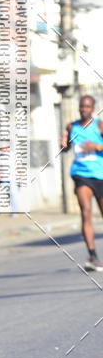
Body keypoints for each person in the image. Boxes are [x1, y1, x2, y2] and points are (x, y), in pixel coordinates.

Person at [60, 94, 103, 271]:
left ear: (93, 108)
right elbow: (66, 148)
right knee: (86, 212)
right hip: (80, 174)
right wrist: (62, 144)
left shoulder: (99, 125)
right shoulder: (71, 126)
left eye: (87, 106)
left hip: (100, 175)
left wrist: (97, 147)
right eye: (81, 106)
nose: (83, 109)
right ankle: (92, 256)